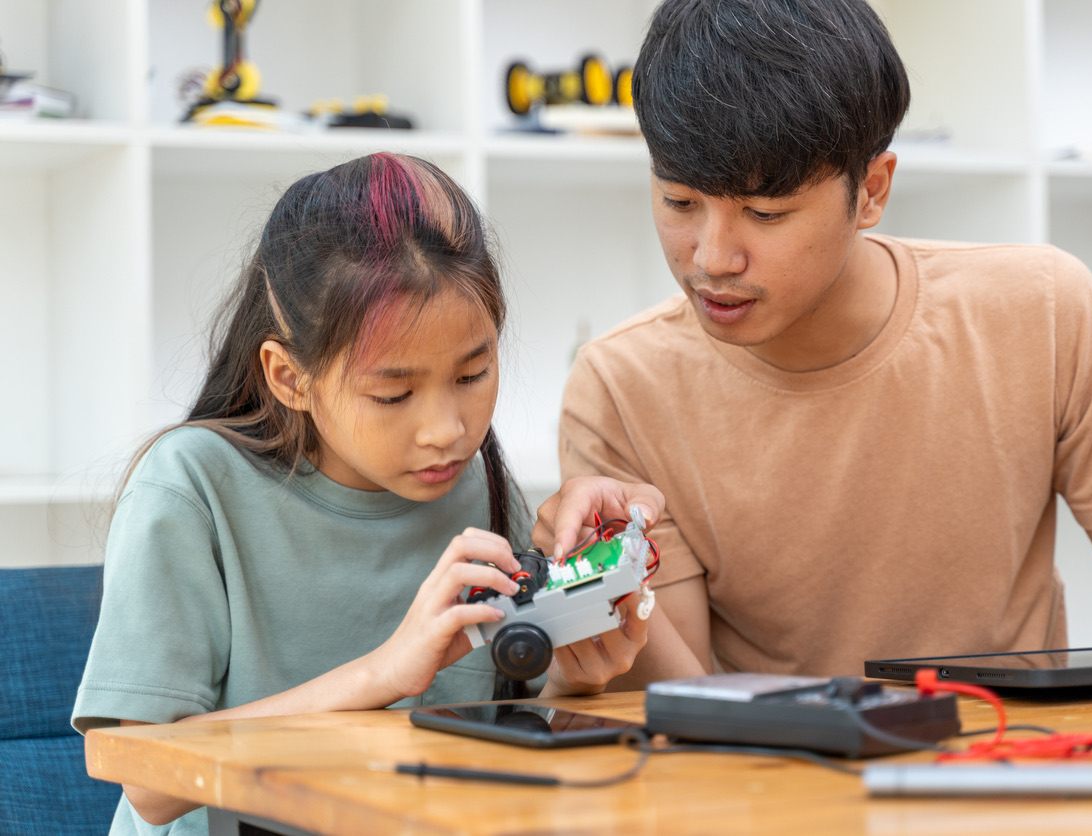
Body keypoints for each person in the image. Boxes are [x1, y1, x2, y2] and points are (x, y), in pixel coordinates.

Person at [546, 0, 1092, 686]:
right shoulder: (622, 386)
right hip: (773, 788)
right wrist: (607, 594)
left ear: (873, 191)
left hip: (1016, 776)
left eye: (765, 213)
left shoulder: (1042, 310)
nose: (712, 257)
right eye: (679, 203)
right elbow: (679, 699)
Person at [71, 152, 661, 834]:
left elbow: (504, 736)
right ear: (289, 378)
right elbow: (148, 780)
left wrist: (575, 674)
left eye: (473, 375)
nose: (447, 431)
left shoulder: (476, 489)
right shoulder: (192, 489)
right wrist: (383, 675)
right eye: (394, 393)